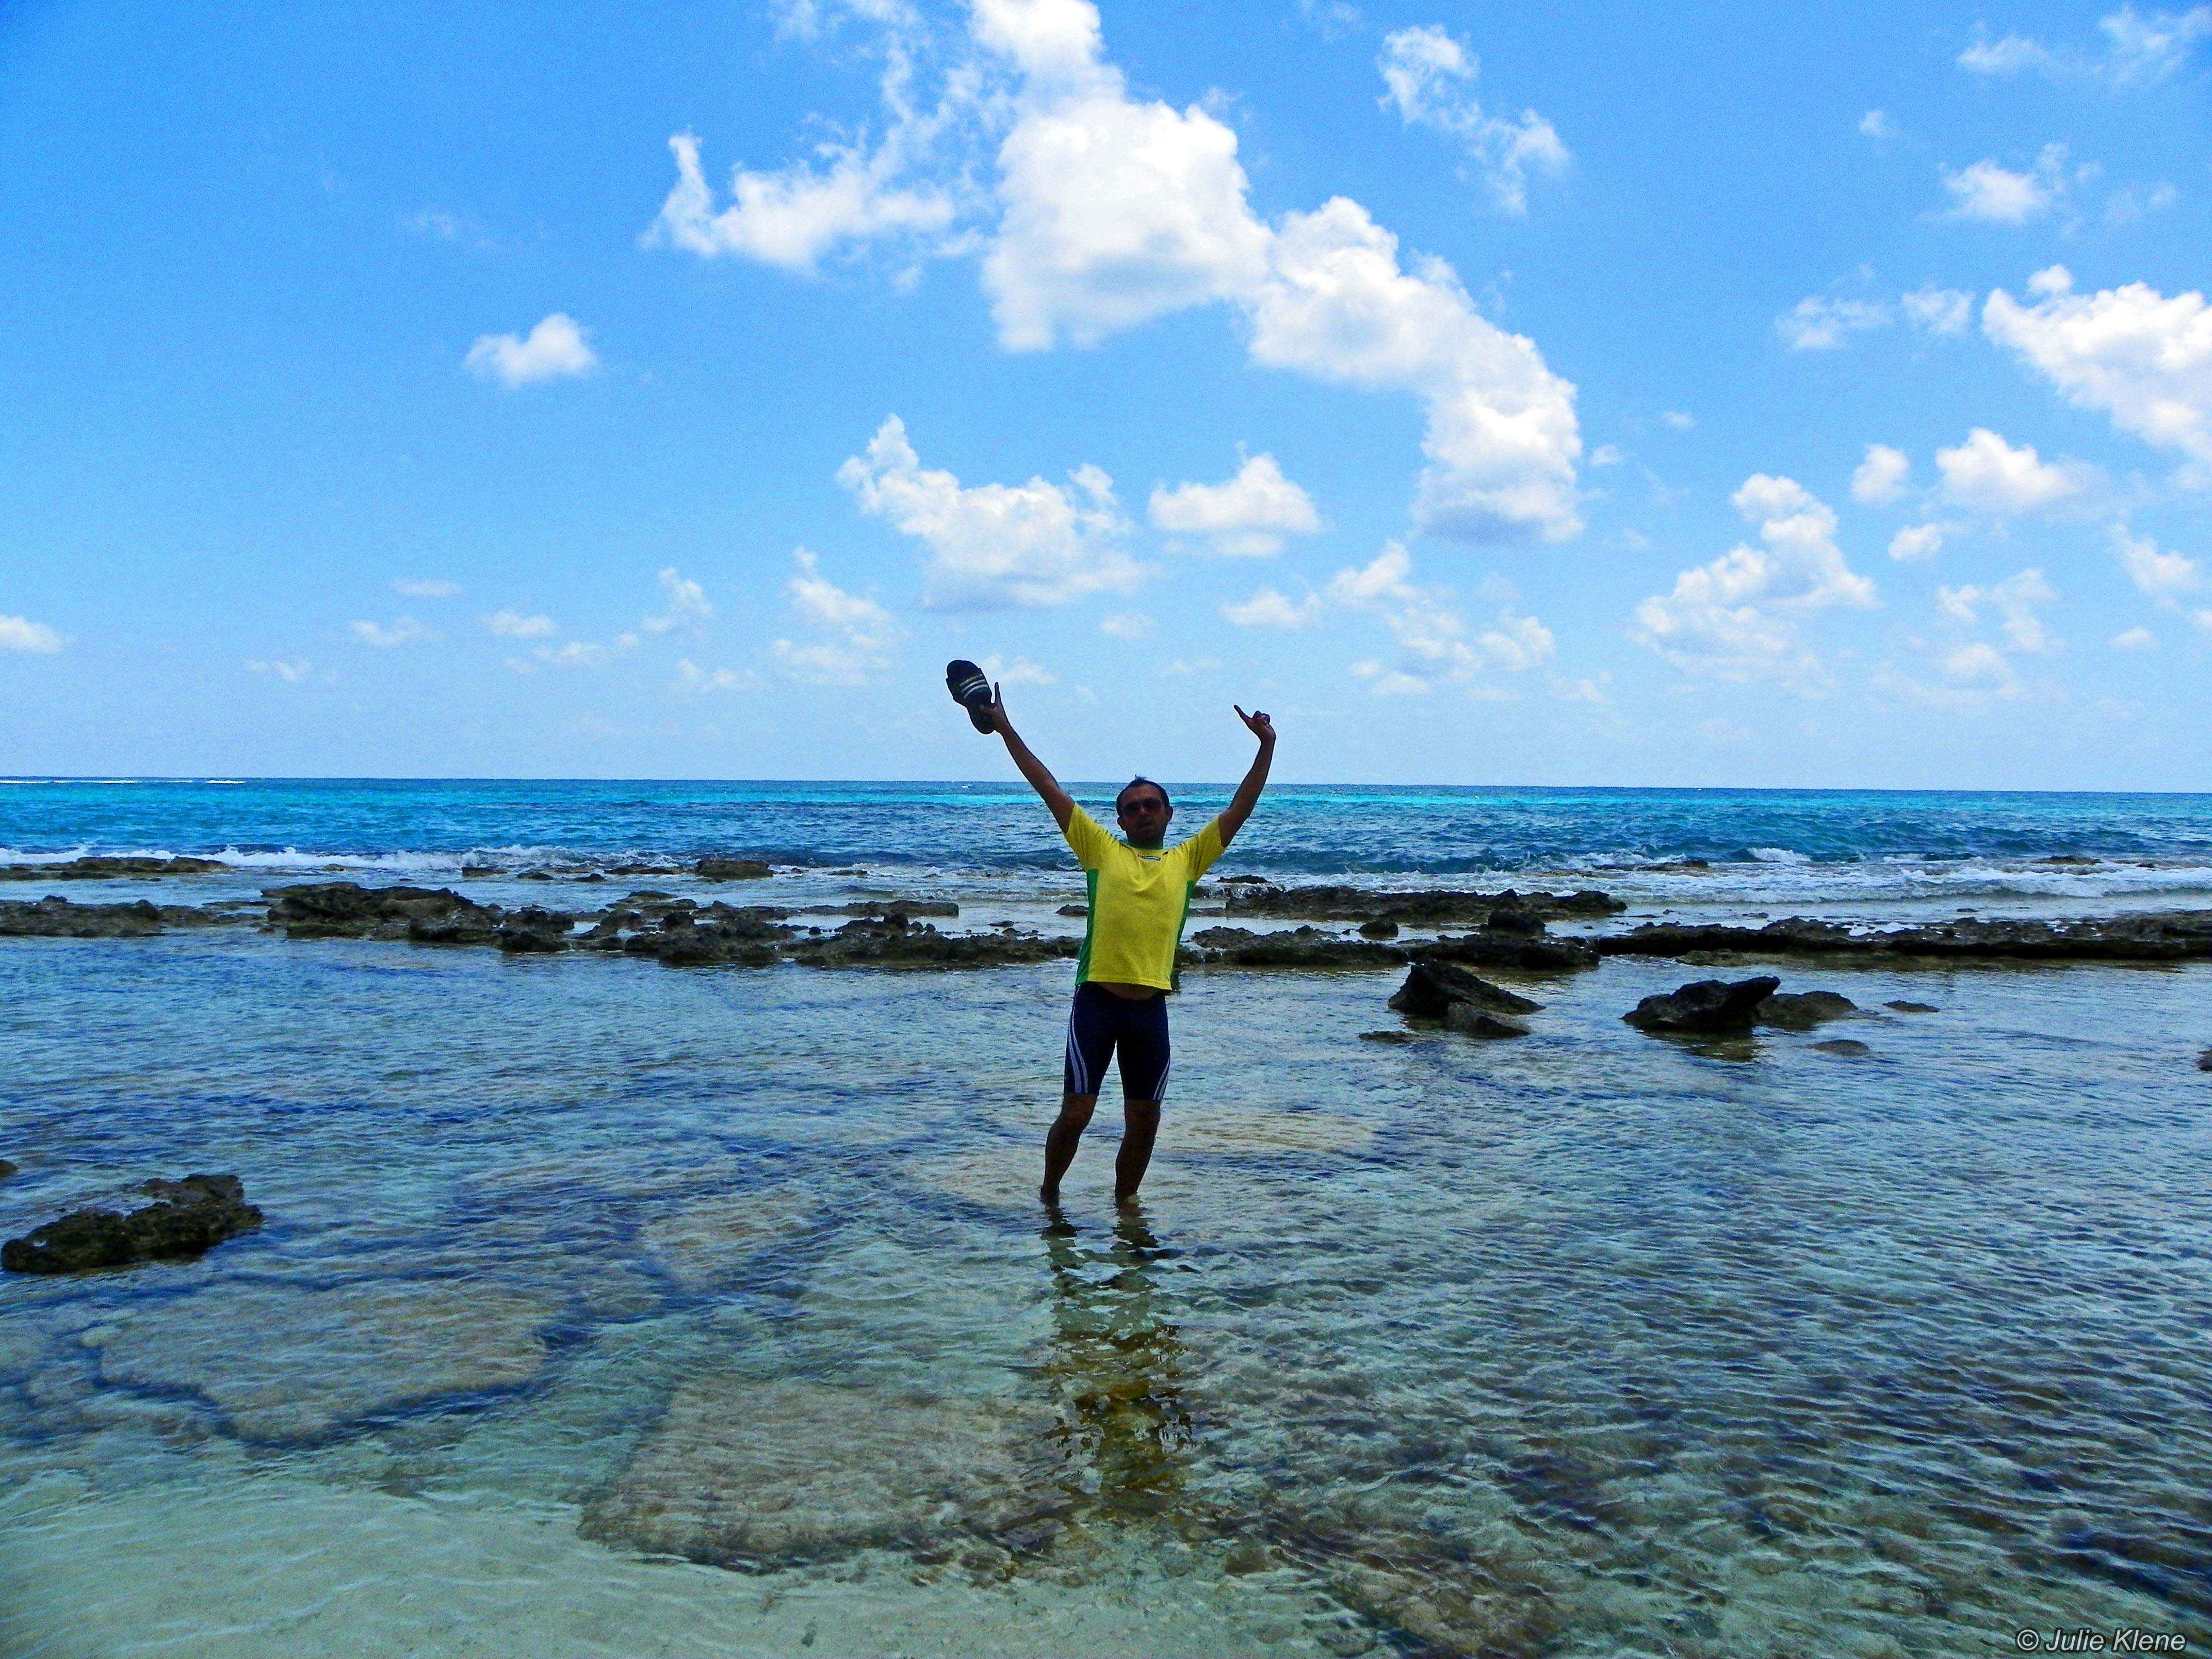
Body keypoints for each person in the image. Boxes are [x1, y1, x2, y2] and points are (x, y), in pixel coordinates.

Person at [984, 686, 1277, 1206]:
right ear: (1120, 821)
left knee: (1145, 1121)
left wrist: (1266, 745)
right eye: (1133, 808)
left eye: (1151, 805)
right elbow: (1046, 785)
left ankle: (1126, 1211)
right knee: (1077, 1113)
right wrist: (1004, 727)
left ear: (1168, 814)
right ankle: (1049, 1197)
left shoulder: (1188, 860)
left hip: (1151, 1011)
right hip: (1097, 1003)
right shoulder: (1099, 850)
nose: (1143, 812)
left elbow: (1242, 805)